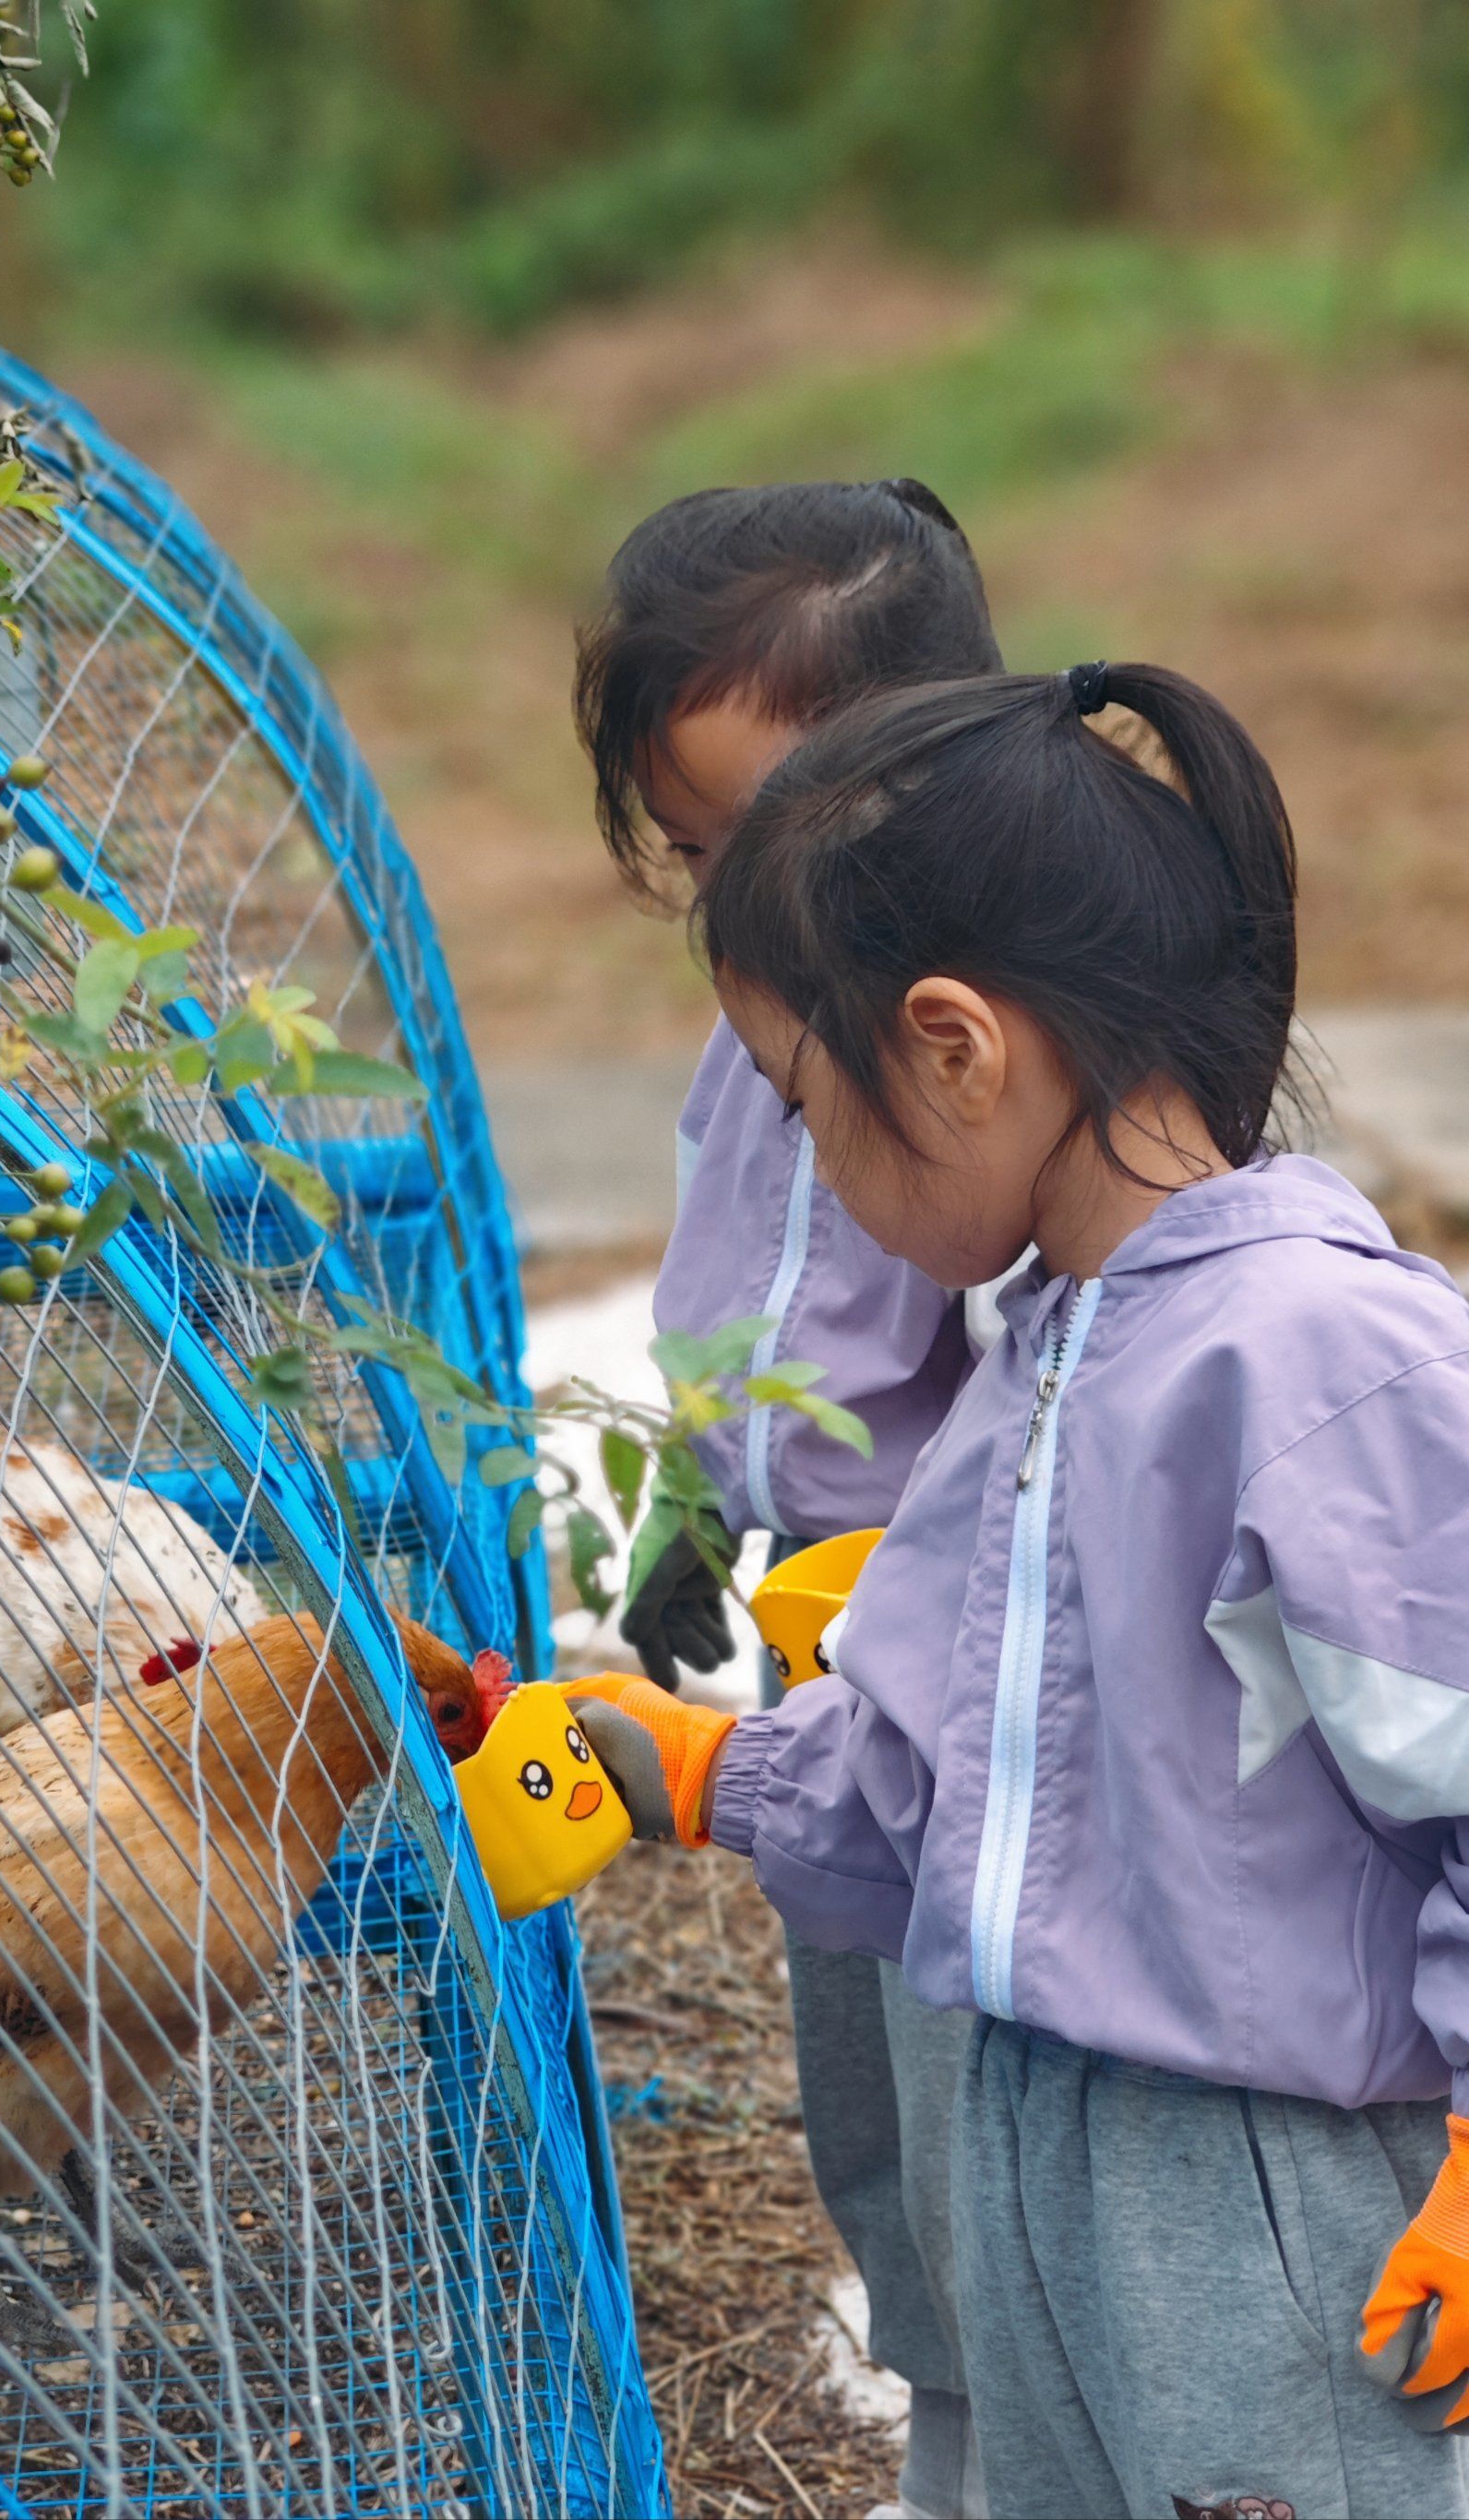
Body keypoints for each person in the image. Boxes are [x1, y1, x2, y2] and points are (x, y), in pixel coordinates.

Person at [568, 659, 1469, 2520]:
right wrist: (707, 1773)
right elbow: (966, 1772)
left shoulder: (1313, 1359)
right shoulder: (1051, 1353)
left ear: (955, 1048)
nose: (813, 1173)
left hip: (1267, 2198)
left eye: (806, 1109)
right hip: (1040, 2146)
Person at [575, 481, 1003, 2520]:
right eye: (692, 856)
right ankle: (947, 2408)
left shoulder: (980, 1080)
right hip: (815, 1631)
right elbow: (733, 1293)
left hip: (975, 1675)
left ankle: (1026, 2432)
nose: (724, 900)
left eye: (757, 842)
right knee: (869, 2079)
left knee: (979, 2071)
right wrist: (689, 1489)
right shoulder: (753, 1046)